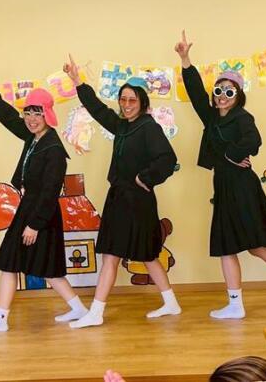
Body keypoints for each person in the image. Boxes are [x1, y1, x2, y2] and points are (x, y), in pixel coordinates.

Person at [175, 31, 266, 319]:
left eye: (229, 92)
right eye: (219, 91)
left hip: (241, 186)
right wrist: (185, 59)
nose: (222, 96)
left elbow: (254, 141)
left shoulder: (242, 118)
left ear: (238, 96)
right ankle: (236, 304)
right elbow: (195, 91)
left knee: (257, 246)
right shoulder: (211, 117)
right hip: (224, 184)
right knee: (227, 246)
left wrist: (230, 155)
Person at [63, 55, 181, 329]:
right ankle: (171, 303)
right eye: (123, 100)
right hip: (119, 198)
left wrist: (145, 178)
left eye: (132, 100)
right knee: (137, 254)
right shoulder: (122, 126)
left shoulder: (149, 127)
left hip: (137, 200)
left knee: (127, 254)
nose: (126, 105)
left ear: (142, 102)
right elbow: (97, 109)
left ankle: (96, 312)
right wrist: (78, 82)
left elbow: (167, 158)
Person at [0, 62, 87, 331]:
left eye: (38, 113)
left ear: (48, 115)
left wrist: (34, 224)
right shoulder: (34, 138)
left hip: (39, 214)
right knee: (45, 268)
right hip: (31, 209)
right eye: (28, 113)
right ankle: (79, 309)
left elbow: (50, 192)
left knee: (14, 264)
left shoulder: (53, 149)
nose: (31, 119)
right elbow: (7, 116)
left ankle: (0, 320)